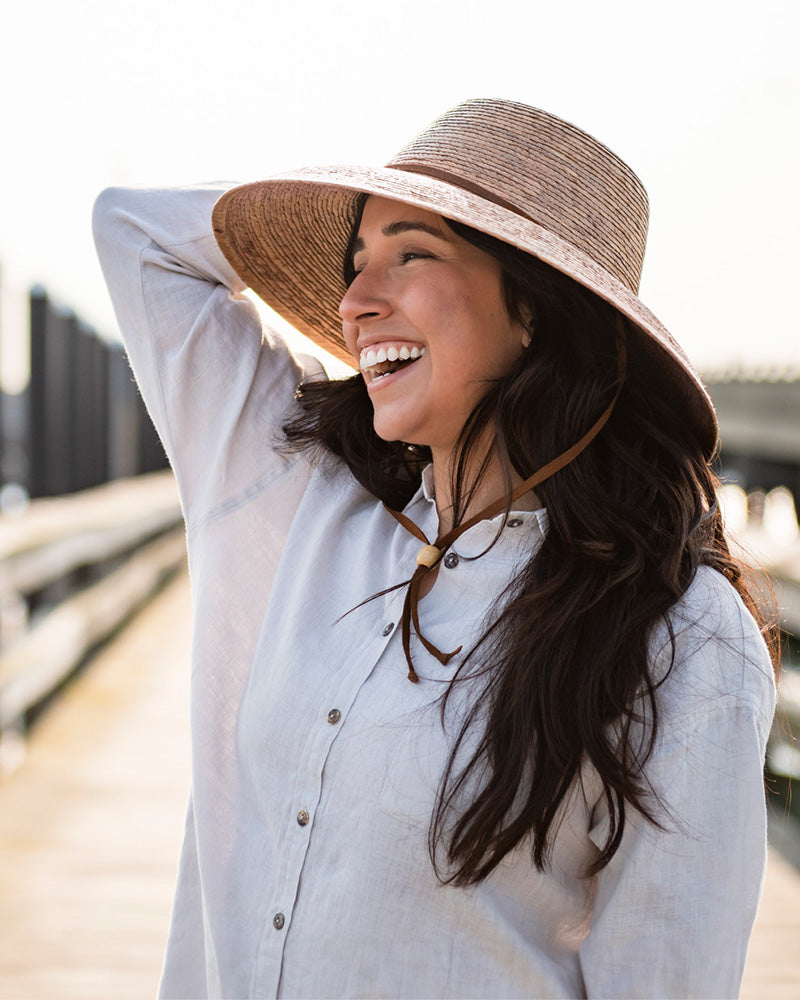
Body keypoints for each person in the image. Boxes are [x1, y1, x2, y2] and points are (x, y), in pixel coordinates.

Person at [93, 98, 778, 999]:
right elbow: (133, 232)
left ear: (534, 304)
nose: (352, 304)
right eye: (352, 262)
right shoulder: (304, 501)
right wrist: (335, 202)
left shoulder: (684, 639)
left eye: (412, 253)